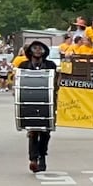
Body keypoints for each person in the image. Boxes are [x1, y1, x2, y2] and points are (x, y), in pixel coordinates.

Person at [16, 40, 58, 172]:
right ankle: (33, 159)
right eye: (35, 48)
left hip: (47, 102)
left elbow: (56, 81)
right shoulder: (23, 65)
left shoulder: (50, 65)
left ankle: (42, 157)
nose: (38, 50)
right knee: (33, 131)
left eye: (41, 48)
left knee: (45, 132)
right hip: (30, 101)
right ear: (31, 51)